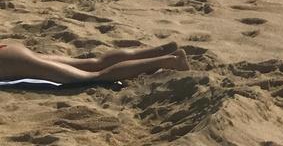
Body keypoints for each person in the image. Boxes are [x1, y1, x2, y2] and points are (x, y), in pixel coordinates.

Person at [0, 40, 189, 85]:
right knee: (93, 63)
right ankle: (161, 51)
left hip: (8, 61)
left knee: (93, 76)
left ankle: (169, 61)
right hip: (8, 50)